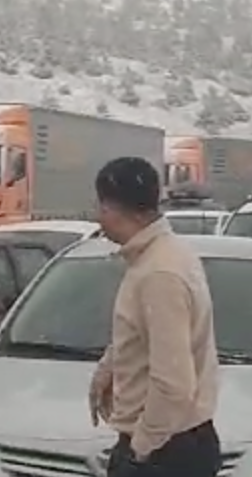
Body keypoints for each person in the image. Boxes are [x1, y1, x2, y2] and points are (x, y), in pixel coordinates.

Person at [88, 156, 222, 477]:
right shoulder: (167, 255)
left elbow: (174, 383)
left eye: (101, 208)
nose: (98, 219)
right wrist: (108, 370)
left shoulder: (159, 274)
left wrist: (141, 448)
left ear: (114, 210)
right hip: (177, 444)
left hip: (167, 454)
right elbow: (141, 335)